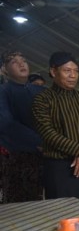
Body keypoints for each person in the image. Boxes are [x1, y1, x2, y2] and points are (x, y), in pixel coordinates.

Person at [32, 51, 79, 205]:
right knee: (63, 215)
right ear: (53, 71)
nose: (73, 75)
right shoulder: (43, 99)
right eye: (67, 70)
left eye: (76, 71)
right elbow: (47, 132)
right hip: (59, 168)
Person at [0, 50, 44, 203]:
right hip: (18, 159)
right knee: (20, 206)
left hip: (46, 156)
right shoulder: (4, 91)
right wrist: (39, 142)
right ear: (4, 70)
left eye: (23, 60)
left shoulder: (40, 91)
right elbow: (6, 124)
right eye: (14, 62)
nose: (21, 63)